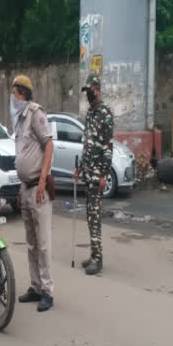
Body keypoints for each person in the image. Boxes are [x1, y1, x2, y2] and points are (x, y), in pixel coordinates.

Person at [12, 75, 55, 312]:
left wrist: (41, 181)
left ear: (23, 93)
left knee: (43, 243)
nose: (12, 96)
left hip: (39, 189)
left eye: (14, 91)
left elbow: (48, 145)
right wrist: (22, 187)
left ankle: (48, 291)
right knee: (31, 243)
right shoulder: (19, 119)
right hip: (25, 187)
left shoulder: (36, 114)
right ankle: (36, 286)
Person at [74, 73, 114, 276]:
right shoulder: (90, 113)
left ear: (96, 89)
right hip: (87, 171)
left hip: (98, 172)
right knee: (89, 215)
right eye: (86, 91)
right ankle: (92, 253)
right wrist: (80, 167)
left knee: (95, 214)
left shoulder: (105, 113)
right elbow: (87, 143)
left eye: (90, 90)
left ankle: (98, 259)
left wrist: (104, 174)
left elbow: (107, 146)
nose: (88, 94)